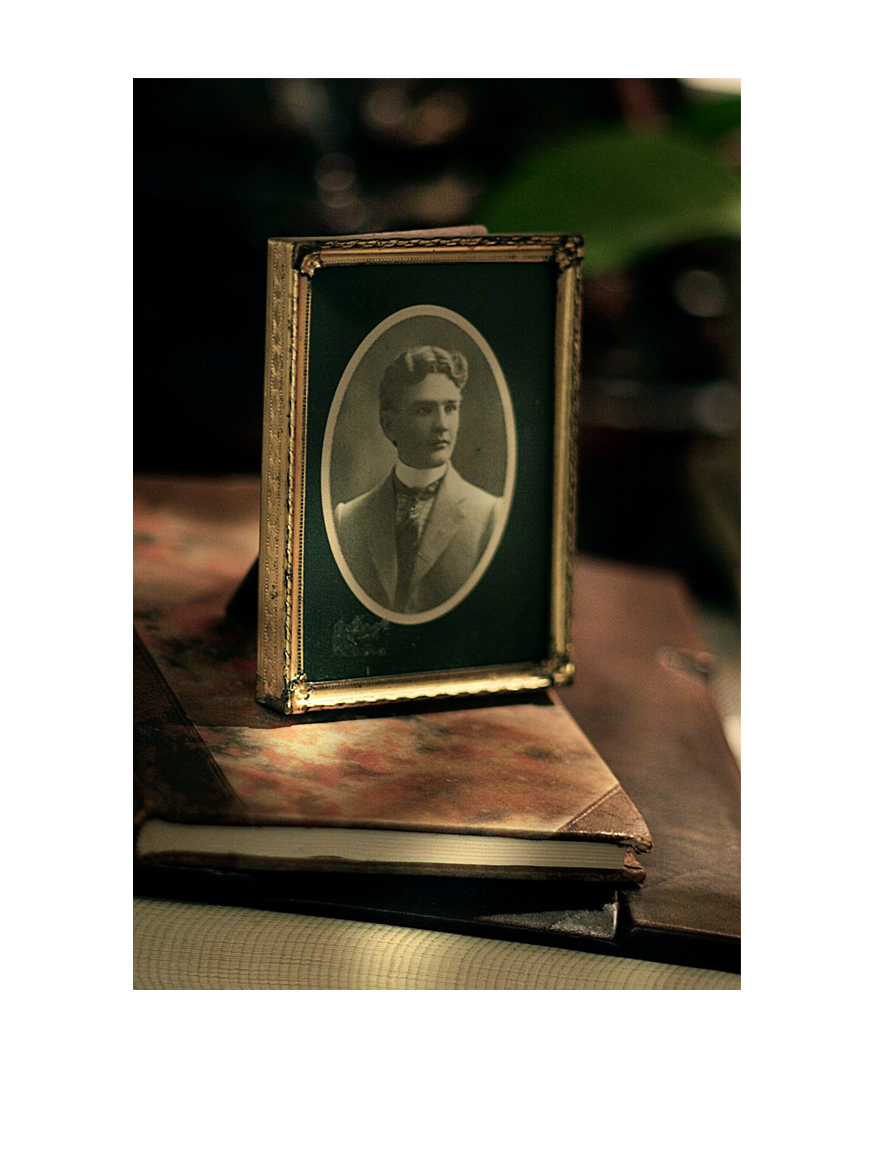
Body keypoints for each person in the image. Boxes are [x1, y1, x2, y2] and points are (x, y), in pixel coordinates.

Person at [334, 345, 502, 615]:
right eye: (424, 410)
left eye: (451, 408)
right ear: (389, 425)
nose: (442, 424)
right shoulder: (348, 519)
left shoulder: (490, 516)